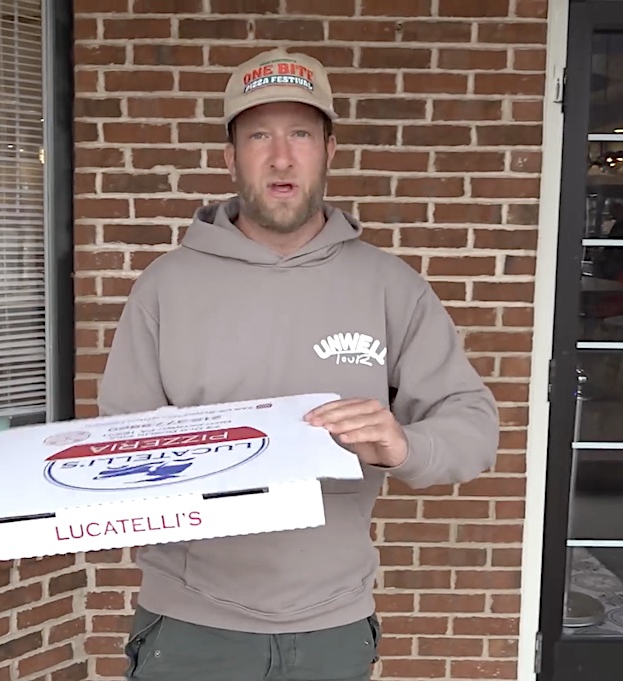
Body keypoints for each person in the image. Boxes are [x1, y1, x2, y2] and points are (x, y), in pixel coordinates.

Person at [97, 48, 500, 681]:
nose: (281, 156)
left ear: (329, 150)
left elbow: (473, 425)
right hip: (190, 625)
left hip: (331, 628)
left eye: (301, 135)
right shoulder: (165, 287)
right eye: (258, 135)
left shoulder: (389, 286)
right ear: (231, 158)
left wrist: (403, 445)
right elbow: (121, 443)